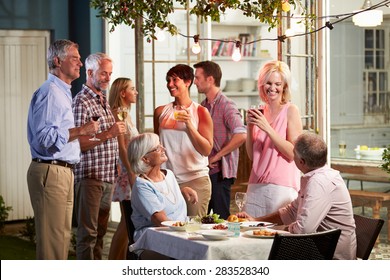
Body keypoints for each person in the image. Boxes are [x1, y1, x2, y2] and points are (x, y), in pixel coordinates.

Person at [26, 39, 98, 260]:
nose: (80, 64)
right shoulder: (51, 93)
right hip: (51, 171)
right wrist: (81, 130)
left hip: (62, 172)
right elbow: (44, 138)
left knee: (60, 242)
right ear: (58, 61)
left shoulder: (62, 92)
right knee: (52, 245)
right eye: (74, 58)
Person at [238, 132, 357, 260]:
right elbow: (291, 211)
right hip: (318, 247)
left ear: (301, 162)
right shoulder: (316, 176)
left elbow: (303, 230)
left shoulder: (319, 182)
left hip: (330, 256)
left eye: (293, 153)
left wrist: (275, 231)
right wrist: (256, 221)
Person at [72, 52, 127, 260]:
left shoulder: (102, 100)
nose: (107, 78)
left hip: (107, 176)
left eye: (110, 74)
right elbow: (79, 143)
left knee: (101, 233)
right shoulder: (82, 102)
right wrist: (109, 134)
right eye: (104, 74)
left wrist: (116, 165)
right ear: (90, 72)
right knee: (88, 235)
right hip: (90, 177)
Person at [154, 64, 213, 217]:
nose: (170, 84)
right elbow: (156, 146)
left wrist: (189, 126)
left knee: (193, 231)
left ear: (188, 82)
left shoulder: (200, 111)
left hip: (195, 179)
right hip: (168, 181)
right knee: (169, 231)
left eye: (175, 80)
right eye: (168, 80)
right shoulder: (160, 111)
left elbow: (206, 149)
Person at [245, 60, 303, 217]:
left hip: (281, 187)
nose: (272, 88)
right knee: (251, 235)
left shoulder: (291, 110)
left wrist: (267, 128)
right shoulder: (260, 112)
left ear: (284, 86)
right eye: (268, 83)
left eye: (277, 83)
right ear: (262, 84)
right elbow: (252, 156)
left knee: (277, 237)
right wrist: (250, 128)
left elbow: (293, 154)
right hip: (256, 185)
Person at [129, 133, 198, 259]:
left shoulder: (169, 175)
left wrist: (182, 190)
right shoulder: (142, 186)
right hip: (155, 241)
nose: (163, 149)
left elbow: (166, 197)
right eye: (157, 148)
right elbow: (161, 221)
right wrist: (190, 230)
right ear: (145, 159)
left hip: (178, 237)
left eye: (161, 145)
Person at [193, 61, 246, 219]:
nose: (195, 81)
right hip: (204, 171)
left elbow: (241, 135)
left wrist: (216, 156)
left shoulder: (227, 105)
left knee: (221, 220)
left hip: (220, 173)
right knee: (202, 219)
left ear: (210, 79)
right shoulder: (202, 106)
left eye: (197, 78)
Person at [107, 77, 139, 260]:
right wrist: (132, 173)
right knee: (127, 223)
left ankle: (120, 261)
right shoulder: (119, 113)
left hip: (130, 170)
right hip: (126, 173)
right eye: (132, 89)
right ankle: (114, 262)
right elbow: (122, 147)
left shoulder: (126, 113)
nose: (136, 92)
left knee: (126, 221)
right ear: (122, 93)